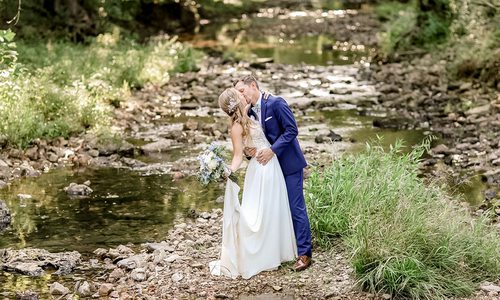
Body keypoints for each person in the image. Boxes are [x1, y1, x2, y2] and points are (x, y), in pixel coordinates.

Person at [209, 87, 297, 279]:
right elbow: (238, 156)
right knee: (261, 213)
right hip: (260, 169)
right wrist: (228, 170)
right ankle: (261, 255)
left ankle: (277, 252)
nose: (243, 93)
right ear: (235, 100)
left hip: (272, 165)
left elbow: (260, 98)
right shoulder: (236, 127)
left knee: (273, 210)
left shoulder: (249, 111)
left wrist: (265, 93)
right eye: (239, 93)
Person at [234, 75, 312, 271]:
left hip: (288, 164)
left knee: (296, 208)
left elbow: (292, 130)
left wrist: (272, 150)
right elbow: (255, 139)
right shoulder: (248, 112)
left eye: (242, 91)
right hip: (268, 170)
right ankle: (279, 249)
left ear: (253, 86)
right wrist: (250, 152)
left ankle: (304, 254)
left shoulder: (276, 103)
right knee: (273, 209)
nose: (241, 96)